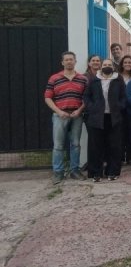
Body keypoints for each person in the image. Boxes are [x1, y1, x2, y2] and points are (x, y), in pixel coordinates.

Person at [44, 51, 87, 184]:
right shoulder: (54, 78)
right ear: (62, 62)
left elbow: (86, 99)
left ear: (75, 61)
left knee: (75, 144)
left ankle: (75, 170)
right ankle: (58, 172)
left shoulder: (83, 79)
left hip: (76, 115)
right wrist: (58, 111)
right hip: (59, 115)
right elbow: (47, 98)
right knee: (58, 145)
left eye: (71, 59)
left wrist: (79, 110)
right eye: (66, 60)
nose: (69, 62)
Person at [84, 59, 127, 182]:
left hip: (114, 118)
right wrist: (92, 107)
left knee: (114, 146)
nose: (107, 66)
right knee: (96, 146)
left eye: (109, 65)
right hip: (97, 118)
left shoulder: (118, 80)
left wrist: (119, 106)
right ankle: (96, 173)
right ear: (101, 67)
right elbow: (86, 96)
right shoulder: (94, 80)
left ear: (113, 67)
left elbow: (123, 97)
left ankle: (112, 172)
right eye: (105, 65)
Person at [118, 55, 131, 164]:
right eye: (125, 62)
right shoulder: (117, 76)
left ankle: (130, 157)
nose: (127, 64)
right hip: (120, 110)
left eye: (130, 62)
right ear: (122, 64)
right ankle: (120, 157)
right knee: (120, 134)